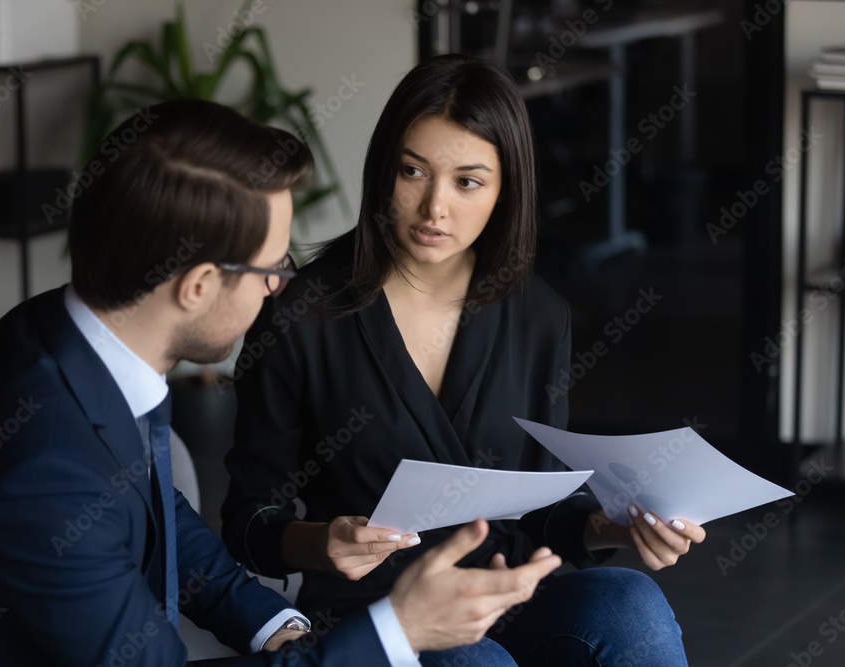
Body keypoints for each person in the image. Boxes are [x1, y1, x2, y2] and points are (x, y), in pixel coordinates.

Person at [0, 99, 565, 667]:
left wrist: (272, 620)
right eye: (271, 269)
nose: (279, 291)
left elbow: (149, 500)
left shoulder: (61, 329)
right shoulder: (48, 481)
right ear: (199, 285)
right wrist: (396, 628)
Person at [221, 54, 707, 666]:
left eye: (468, 182)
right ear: (383, 171)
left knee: (628, 600)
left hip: (507, 596)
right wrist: (322, 543)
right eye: (413, 171)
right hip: (384, 619)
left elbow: (538, 513)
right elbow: (246, 521)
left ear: (507, 189)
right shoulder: (303, 317)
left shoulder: (537, 314)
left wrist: (614, 528)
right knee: (475, 662)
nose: (434, 209)